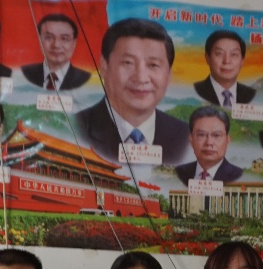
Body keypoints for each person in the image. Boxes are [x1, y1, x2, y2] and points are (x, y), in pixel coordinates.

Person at [75, 18, 190, 165]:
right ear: (104, 67)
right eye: (128, 62)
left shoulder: (186, 138)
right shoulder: (74, 128)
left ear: (169, 75)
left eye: (153, 65)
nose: (141, 78)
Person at [21, 14, 91, 91]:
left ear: (74, 43)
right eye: (49, 37)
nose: (56, 45)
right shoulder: (23, 74)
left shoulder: (87, 80)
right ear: (39, 40)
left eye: (64, 39)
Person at [175, 106, 243, 185]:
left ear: (227, 140)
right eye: (201, 135)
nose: (209, 143)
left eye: (216, 135)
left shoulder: (239, 176)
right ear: (191, 139)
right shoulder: (178, 172)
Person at [193, 30, 256, 107]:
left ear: (242, 61)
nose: (227, 61)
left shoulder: (251, 94)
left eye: (234, 54)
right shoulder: (195, 90)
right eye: (219, 53)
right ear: (207, 58)